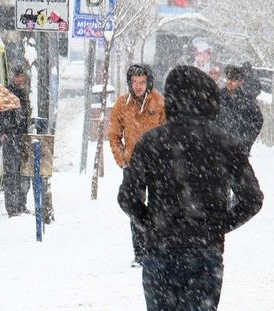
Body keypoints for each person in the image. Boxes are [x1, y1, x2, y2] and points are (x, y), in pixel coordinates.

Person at [118, 65, 263, 311]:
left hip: (161, 253)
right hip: (205, 253)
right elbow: (252, 199)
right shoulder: (224, 143)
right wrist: (218, 225)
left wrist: (152, 224)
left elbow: (127, 197)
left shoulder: (152, 142)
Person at [108, 64, 165, 267]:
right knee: (133, 206)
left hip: (158, 166)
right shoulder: (122, 104)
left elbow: (168, 131)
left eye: (142, 82)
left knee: (159, 207)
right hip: (133, 164)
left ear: (148, 82)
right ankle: (140, 253)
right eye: (134, 82)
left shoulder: (159, 102)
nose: (138, 86)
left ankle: (155, 249)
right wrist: (122, 159)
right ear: (129, 83)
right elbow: (114, 135)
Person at [0, 65, 31, 217]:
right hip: (12, 138)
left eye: (22, 75)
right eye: (17, 75)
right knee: (12, 173)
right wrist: (1, 132)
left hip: (22, 139)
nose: (20, 78)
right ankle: (12, 208)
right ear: (13, 77)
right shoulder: (5, 93)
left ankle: (20, 204)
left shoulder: (24, 93)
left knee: (23, 173)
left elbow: (24, 118)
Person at [215, 65, 263, 156]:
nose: (230, 82)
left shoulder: (247, 101)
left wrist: (245, 142)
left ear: (240, 82)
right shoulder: (218, 97)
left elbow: (258, 120)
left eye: (233, 80)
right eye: (228, 79)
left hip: (238, 151)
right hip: (218, 148)